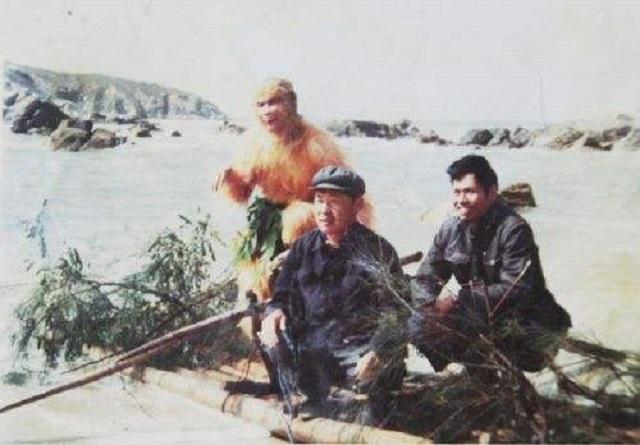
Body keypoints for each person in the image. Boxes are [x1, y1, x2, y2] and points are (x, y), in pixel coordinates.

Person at [259, 166, 408, 424]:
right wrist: (274, 314)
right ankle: (306, 393)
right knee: (271, 336)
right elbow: (281, 297)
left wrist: (377, 351)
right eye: (319, 201)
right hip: (316, 353)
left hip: (359, 353)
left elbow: (396, 313)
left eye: (334, 202)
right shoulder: (303, 247)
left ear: (356, 206)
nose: (324, 211)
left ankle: (367, 403)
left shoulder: (378, 251)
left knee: (372, 404)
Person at [409, 155, 571, 374]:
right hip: (478, 316)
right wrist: (429, 306)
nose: (461, 200)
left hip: (527, 323)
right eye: (457, 192)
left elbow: (516, 289)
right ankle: (473, 376)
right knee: (416, 324)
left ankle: (492, 377)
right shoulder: (450, 229)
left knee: (474, 325)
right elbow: (425, 278)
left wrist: (456, 300)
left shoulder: (514, 229)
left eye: (469, 191)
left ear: (492, 192)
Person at [215, 79, 373, 302]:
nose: (267, 111)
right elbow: (241, 195)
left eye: (273, 102)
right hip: (269, 220)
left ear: (291, 103)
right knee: (248, 256)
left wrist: (358, 243)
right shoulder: (253, 142)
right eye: (261, 105)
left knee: (296, 218)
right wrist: (230, 179)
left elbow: (353, 196)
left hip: (312, 223)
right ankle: (258, 303)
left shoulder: (317, 143)